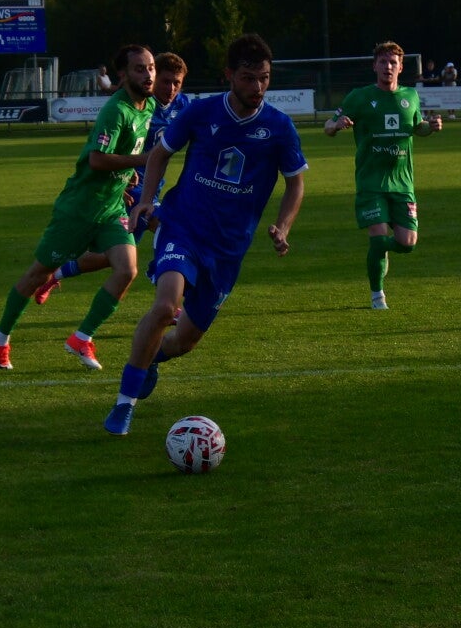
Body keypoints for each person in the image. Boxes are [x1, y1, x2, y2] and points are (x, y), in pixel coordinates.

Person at [102, 33, 307, 436]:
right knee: (166, 307)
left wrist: (283, 226)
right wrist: (147, 201)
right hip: (183, 226)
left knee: (185, 341)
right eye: (248, 78)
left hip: (228, 249)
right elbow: (160, 153)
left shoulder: (279, 128)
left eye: (264, 78)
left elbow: (295, 183)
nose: (258, 87)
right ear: (229, 75)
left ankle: (150, 359)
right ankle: (124, 404)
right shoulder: (201, 113)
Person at [0, 45, 158, 371]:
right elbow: (96, 160)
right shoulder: (116, 110)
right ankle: (0, 336)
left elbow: (122, 153)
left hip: (110, 208)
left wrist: (127, 175)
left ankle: (81, 337)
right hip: (79, 209)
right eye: (140, 69)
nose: (148, 74)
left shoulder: (147, 105)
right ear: (122, 75)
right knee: (38, 275)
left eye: (151, 67)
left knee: (127, 269)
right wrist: (140, 161)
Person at [30, 51, 194, 309]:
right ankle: (171, 304)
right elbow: (106, 152)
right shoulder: (140, 107)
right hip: (131, 190)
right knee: (171, 231)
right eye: (165, 81)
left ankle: (55, 273)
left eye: (177, 83)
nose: (171, 88)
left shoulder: (182, 106)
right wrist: (120, 183)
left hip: (152, 189)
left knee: (111, 256)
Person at [324, 41, 442, 308]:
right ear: (374, 66)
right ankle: (377, 295)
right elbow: (327, 126)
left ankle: (381, 250)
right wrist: (337, 125)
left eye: (393, 62)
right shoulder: (359, 97)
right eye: (383, 62)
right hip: (371, 182)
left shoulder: (410, 96)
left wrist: (431, 127)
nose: (388, 66)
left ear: (400, 67)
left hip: (402, 183)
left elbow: (418, 127)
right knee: (377, 238)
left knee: (408, 243)